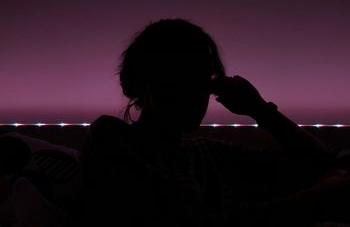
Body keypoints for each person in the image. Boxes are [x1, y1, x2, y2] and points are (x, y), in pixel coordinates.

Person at [81, 19, 350, 227]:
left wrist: (259, 109)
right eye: (178, 77)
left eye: (202, 79)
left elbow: (322, 161)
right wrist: (313, 201)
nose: (193, 93)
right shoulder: (111, 137)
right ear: (143, 83)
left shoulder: (204, 154)